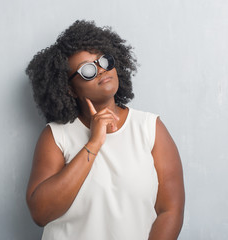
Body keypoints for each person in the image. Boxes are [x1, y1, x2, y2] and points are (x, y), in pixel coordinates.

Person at [25, 20, 185, 240]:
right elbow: (41, 213)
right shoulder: (56, 136)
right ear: (70, 89)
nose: (101, 70)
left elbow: (171, 210)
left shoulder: (149, 128)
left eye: (104, 61)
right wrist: (94, 142)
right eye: (87, 70)